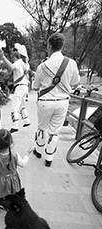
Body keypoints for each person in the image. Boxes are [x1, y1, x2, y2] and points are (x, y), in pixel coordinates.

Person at [32, 32, 80, 167]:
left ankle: (38, 150)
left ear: (49, 46)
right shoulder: (71, 63)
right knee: (54, 132)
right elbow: (75, 82)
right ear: (62, 45)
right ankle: (49, 158)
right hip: (62, 101)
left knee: (42, 128)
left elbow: (35, 87)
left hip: (45, 102)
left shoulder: (42, 66)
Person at [0, 128, 33, 213]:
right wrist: (27, 154)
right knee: (14, 195)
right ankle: (13, 207)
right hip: (14, 181)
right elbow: (22, 164)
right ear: (11, 142)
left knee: (0, 196)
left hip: (1, 183)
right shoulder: (15, 154)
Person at [0, 44, 30, 133]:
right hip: (25, 87)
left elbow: (12, 67)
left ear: (14, 57)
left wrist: (4, 58)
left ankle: (15, 125)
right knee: (22, 105)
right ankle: (26, 120)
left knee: (14, 106)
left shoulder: (19, 62)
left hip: (19, 86)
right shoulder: (26, 63)